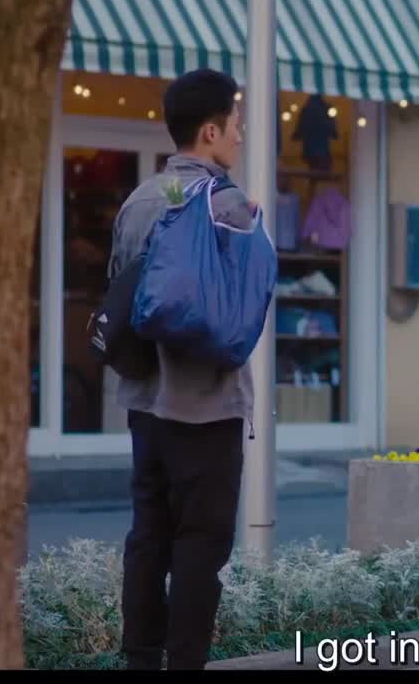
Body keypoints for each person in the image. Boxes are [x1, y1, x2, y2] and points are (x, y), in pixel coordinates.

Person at [108, 69, 256, 670]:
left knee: (148, 537)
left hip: (146, 405)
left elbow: (118, 291)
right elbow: (242, 315)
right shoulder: (228, 206)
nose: (241, 135)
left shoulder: (141, 200)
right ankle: (185, 662)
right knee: (201, 545)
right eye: (236, 124)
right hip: (208, 409)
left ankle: (141, 658)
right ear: (210, 131)